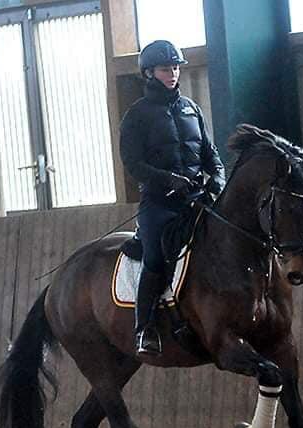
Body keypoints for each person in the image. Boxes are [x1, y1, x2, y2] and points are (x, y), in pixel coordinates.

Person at [119, 40, 225, 356]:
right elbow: (133, 164)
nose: (173, 73)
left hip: (197, 198)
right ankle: (144, 327)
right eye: (167, 69)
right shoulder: (136, 116)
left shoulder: (192, 109)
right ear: (149, 73)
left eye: (176, 68)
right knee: (155, 255)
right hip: (160, 203)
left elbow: (211, 153)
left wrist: (217, 178)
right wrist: (168, 180)